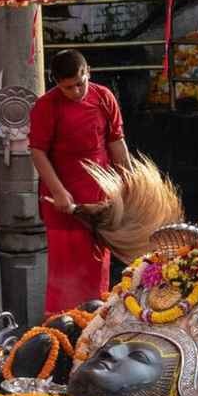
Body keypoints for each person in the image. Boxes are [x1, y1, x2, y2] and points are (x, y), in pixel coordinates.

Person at [29, 49, 129, 314]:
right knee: (65, 273)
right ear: (57, 83)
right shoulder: (46, 106)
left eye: (80, 84)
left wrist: (130, 182)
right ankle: (62, 331)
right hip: (63, 199)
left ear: (88, 73)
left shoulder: (104, 97)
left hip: (100, 197)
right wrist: (58, 191)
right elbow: (37, 151)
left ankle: (95, 324)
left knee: (98, 270)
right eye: (68, 87)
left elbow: (116, 141)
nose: (75, 91)